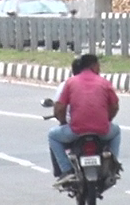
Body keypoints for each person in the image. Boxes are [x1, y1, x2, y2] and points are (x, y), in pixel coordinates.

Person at [48, 52, 121, 184]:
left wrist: (63, 122)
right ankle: (113, 165)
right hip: (102, 130)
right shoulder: (104, 83)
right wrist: (107, 120)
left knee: (53, 135)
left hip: (76, 130)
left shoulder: (70, 83)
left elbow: (59, 108)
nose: (99, 68)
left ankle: (67, 170)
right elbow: (115, 106)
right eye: (99, 65)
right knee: (116, 131)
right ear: (93, 66)